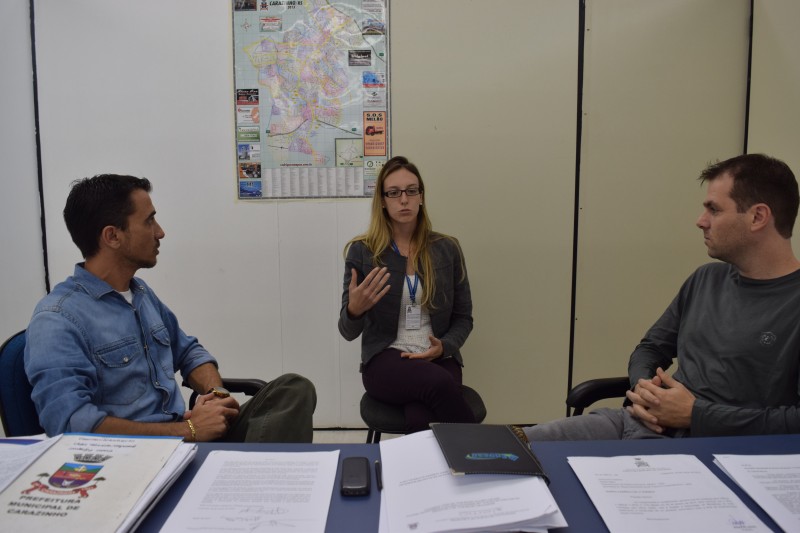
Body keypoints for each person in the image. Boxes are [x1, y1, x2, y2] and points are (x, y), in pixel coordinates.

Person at [526, 153, 800, 441]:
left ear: (758, 217)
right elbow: (651, 348)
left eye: (714, 210)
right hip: (638, 420)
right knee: (515, 448)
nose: (701, 221)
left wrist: (696, 415)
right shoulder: (705, 279)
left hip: (706, 448)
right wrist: (646, 389)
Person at [24, 174, 316, 443]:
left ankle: (250, 471)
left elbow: (189, 353)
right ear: (112, 236)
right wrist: (189, 430)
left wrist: (215, 394)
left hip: (186, 439)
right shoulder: (57, 320)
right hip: (135, 458)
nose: (160, 232)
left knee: (293, 389)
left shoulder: (139, 293)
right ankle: (253, 474)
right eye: (149, 221)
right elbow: (71, 424)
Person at [338, 156, 477, 433]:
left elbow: (464, 318)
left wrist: (444, 347)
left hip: (438, 356)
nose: (404, 199)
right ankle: (479, 451)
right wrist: (355, 310)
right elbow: (347, 331)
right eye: (394, 192)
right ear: (382, 200)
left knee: (420, 412)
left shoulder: (447, 248)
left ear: (421, 196)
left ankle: (421, 464)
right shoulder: (363, 251)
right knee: (439, 384)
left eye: (411, 191)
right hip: (386, 358)